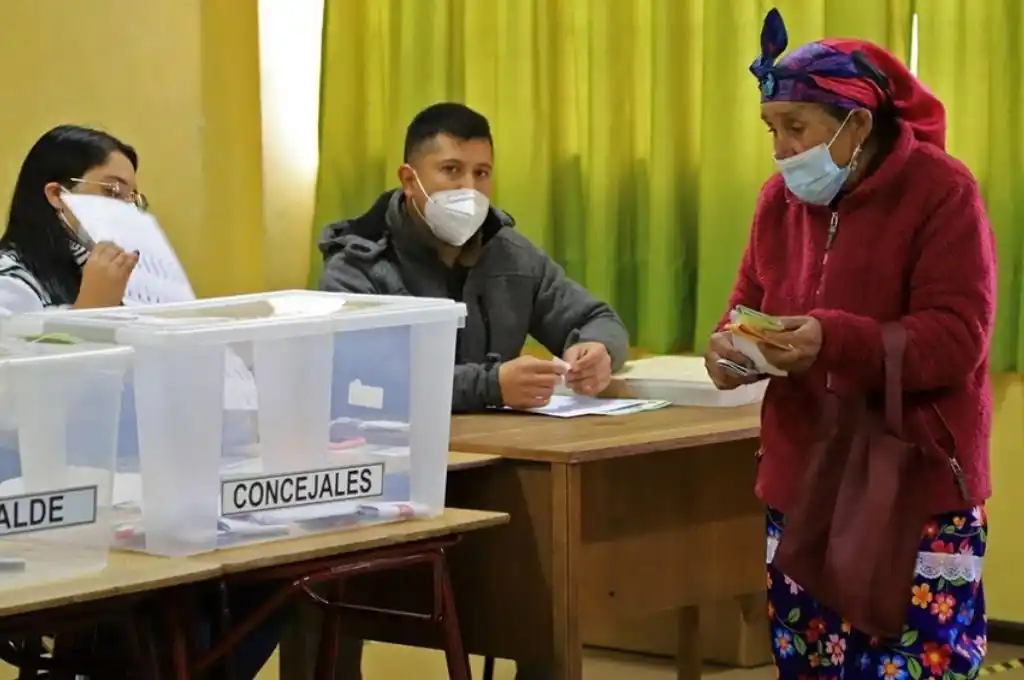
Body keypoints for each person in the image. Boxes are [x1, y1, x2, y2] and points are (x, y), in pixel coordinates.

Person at [705, 9, 994, 679]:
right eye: (771, 129)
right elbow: (747, 303)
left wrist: (833, 340)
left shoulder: (943, 193)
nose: (780, 150)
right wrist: (729, 350)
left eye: (796, 129)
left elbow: (958, 338)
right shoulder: (776, 203)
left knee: (914, 667)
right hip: (803, 485)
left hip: (913, 489)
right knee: (809, 665)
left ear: (857, 124)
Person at [293, 102, 628, 680]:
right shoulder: (357, 265)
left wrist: (596, 351)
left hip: (502, 467)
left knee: (546, 599)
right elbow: (364, 379)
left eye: (481, 173)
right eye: (451, 171)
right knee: (324, 605)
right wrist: (491, 385)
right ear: (409, 178)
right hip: (380, 478)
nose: (469, 189)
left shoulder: (511, 252)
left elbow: (596, 316)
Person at [0, 125, 283, 679]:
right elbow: (18, 413)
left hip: (132, 496)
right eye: (111, 193)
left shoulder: (129, 284)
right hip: (41, 504)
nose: (126, 210)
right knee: (172, 618)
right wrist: (91, 315)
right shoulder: (13, 284)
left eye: (133, 197)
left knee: (270, 580)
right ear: (56, 195)